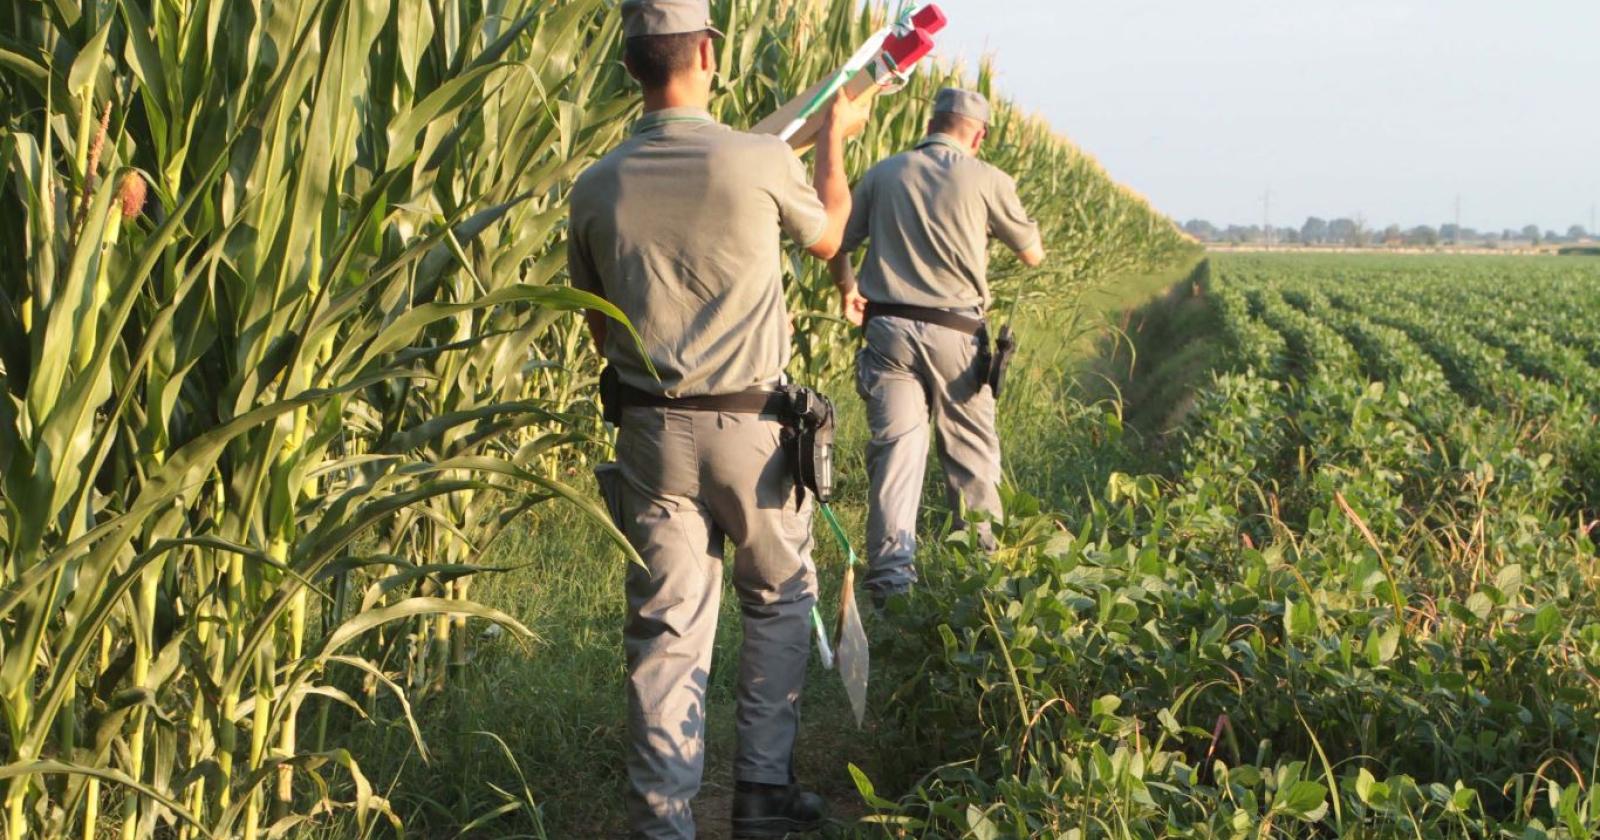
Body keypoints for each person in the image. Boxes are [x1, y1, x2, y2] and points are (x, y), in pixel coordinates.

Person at [565, 1, 870, 837]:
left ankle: (664, 822)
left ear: (630, 64)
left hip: (651, 436)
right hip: (756, 433)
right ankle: (762, 795)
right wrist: (837, 133)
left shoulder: (595, 185)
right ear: (705, 51)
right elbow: (830, 233)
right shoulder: (759, 160)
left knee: (667, 630)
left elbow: (599, 329)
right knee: (777, 596)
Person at [829, 88, 1046, 608]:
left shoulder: (884, 173)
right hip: (956, 335)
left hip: (888, 332)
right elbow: (1033, 254)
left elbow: (837, 240)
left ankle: (889, 588)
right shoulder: (989, 179)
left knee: (897, 454)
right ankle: (981, 580)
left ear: (931, 122)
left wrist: (847, 287)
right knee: (970, 456)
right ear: (978, 134)